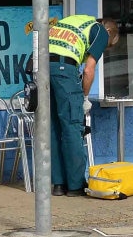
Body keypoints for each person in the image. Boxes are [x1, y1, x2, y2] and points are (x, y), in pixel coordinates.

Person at [47, 15, 119, 197]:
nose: (104, 48)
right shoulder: (101, 31)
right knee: (72, 127)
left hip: (43, 69)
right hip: (65, 71)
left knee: (54, 128)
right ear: (110, 32)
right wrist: (85, 98)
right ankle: (75, 185)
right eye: (108, 45)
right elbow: (88, 70)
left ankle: (58, 184)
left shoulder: (75, 21)